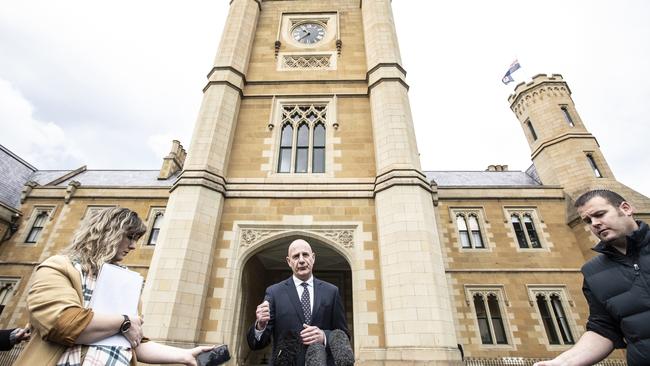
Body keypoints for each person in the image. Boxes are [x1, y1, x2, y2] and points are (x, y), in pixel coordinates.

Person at [14, 207, 215, 366]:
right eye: (130, 237)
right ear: (107, 232)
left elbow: (135, 341)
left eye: (136, 239)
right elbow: (65, 323)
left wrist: (185, 355)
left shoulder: (124, 281)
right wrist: (125, 322)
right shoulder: (58, 267)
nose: (134, 246)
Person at [534, 189, 650, 366]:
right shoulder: (592, 271)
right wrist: (563, 362)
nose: (595, 223)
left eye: (600, 214)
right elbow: (604, 329)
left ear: (626, 208)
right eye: (588, 220)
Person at [247, 239, 349, 365]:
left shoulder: (331, 292)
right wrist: (260, 326)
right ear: (289, 262)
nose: (301, 260)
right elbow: (256, 344)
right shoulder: (274, 292)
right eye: (295, 256)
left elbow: (343, 335)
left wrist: (324, 336)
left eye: (305, 254)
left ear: (313, 258)